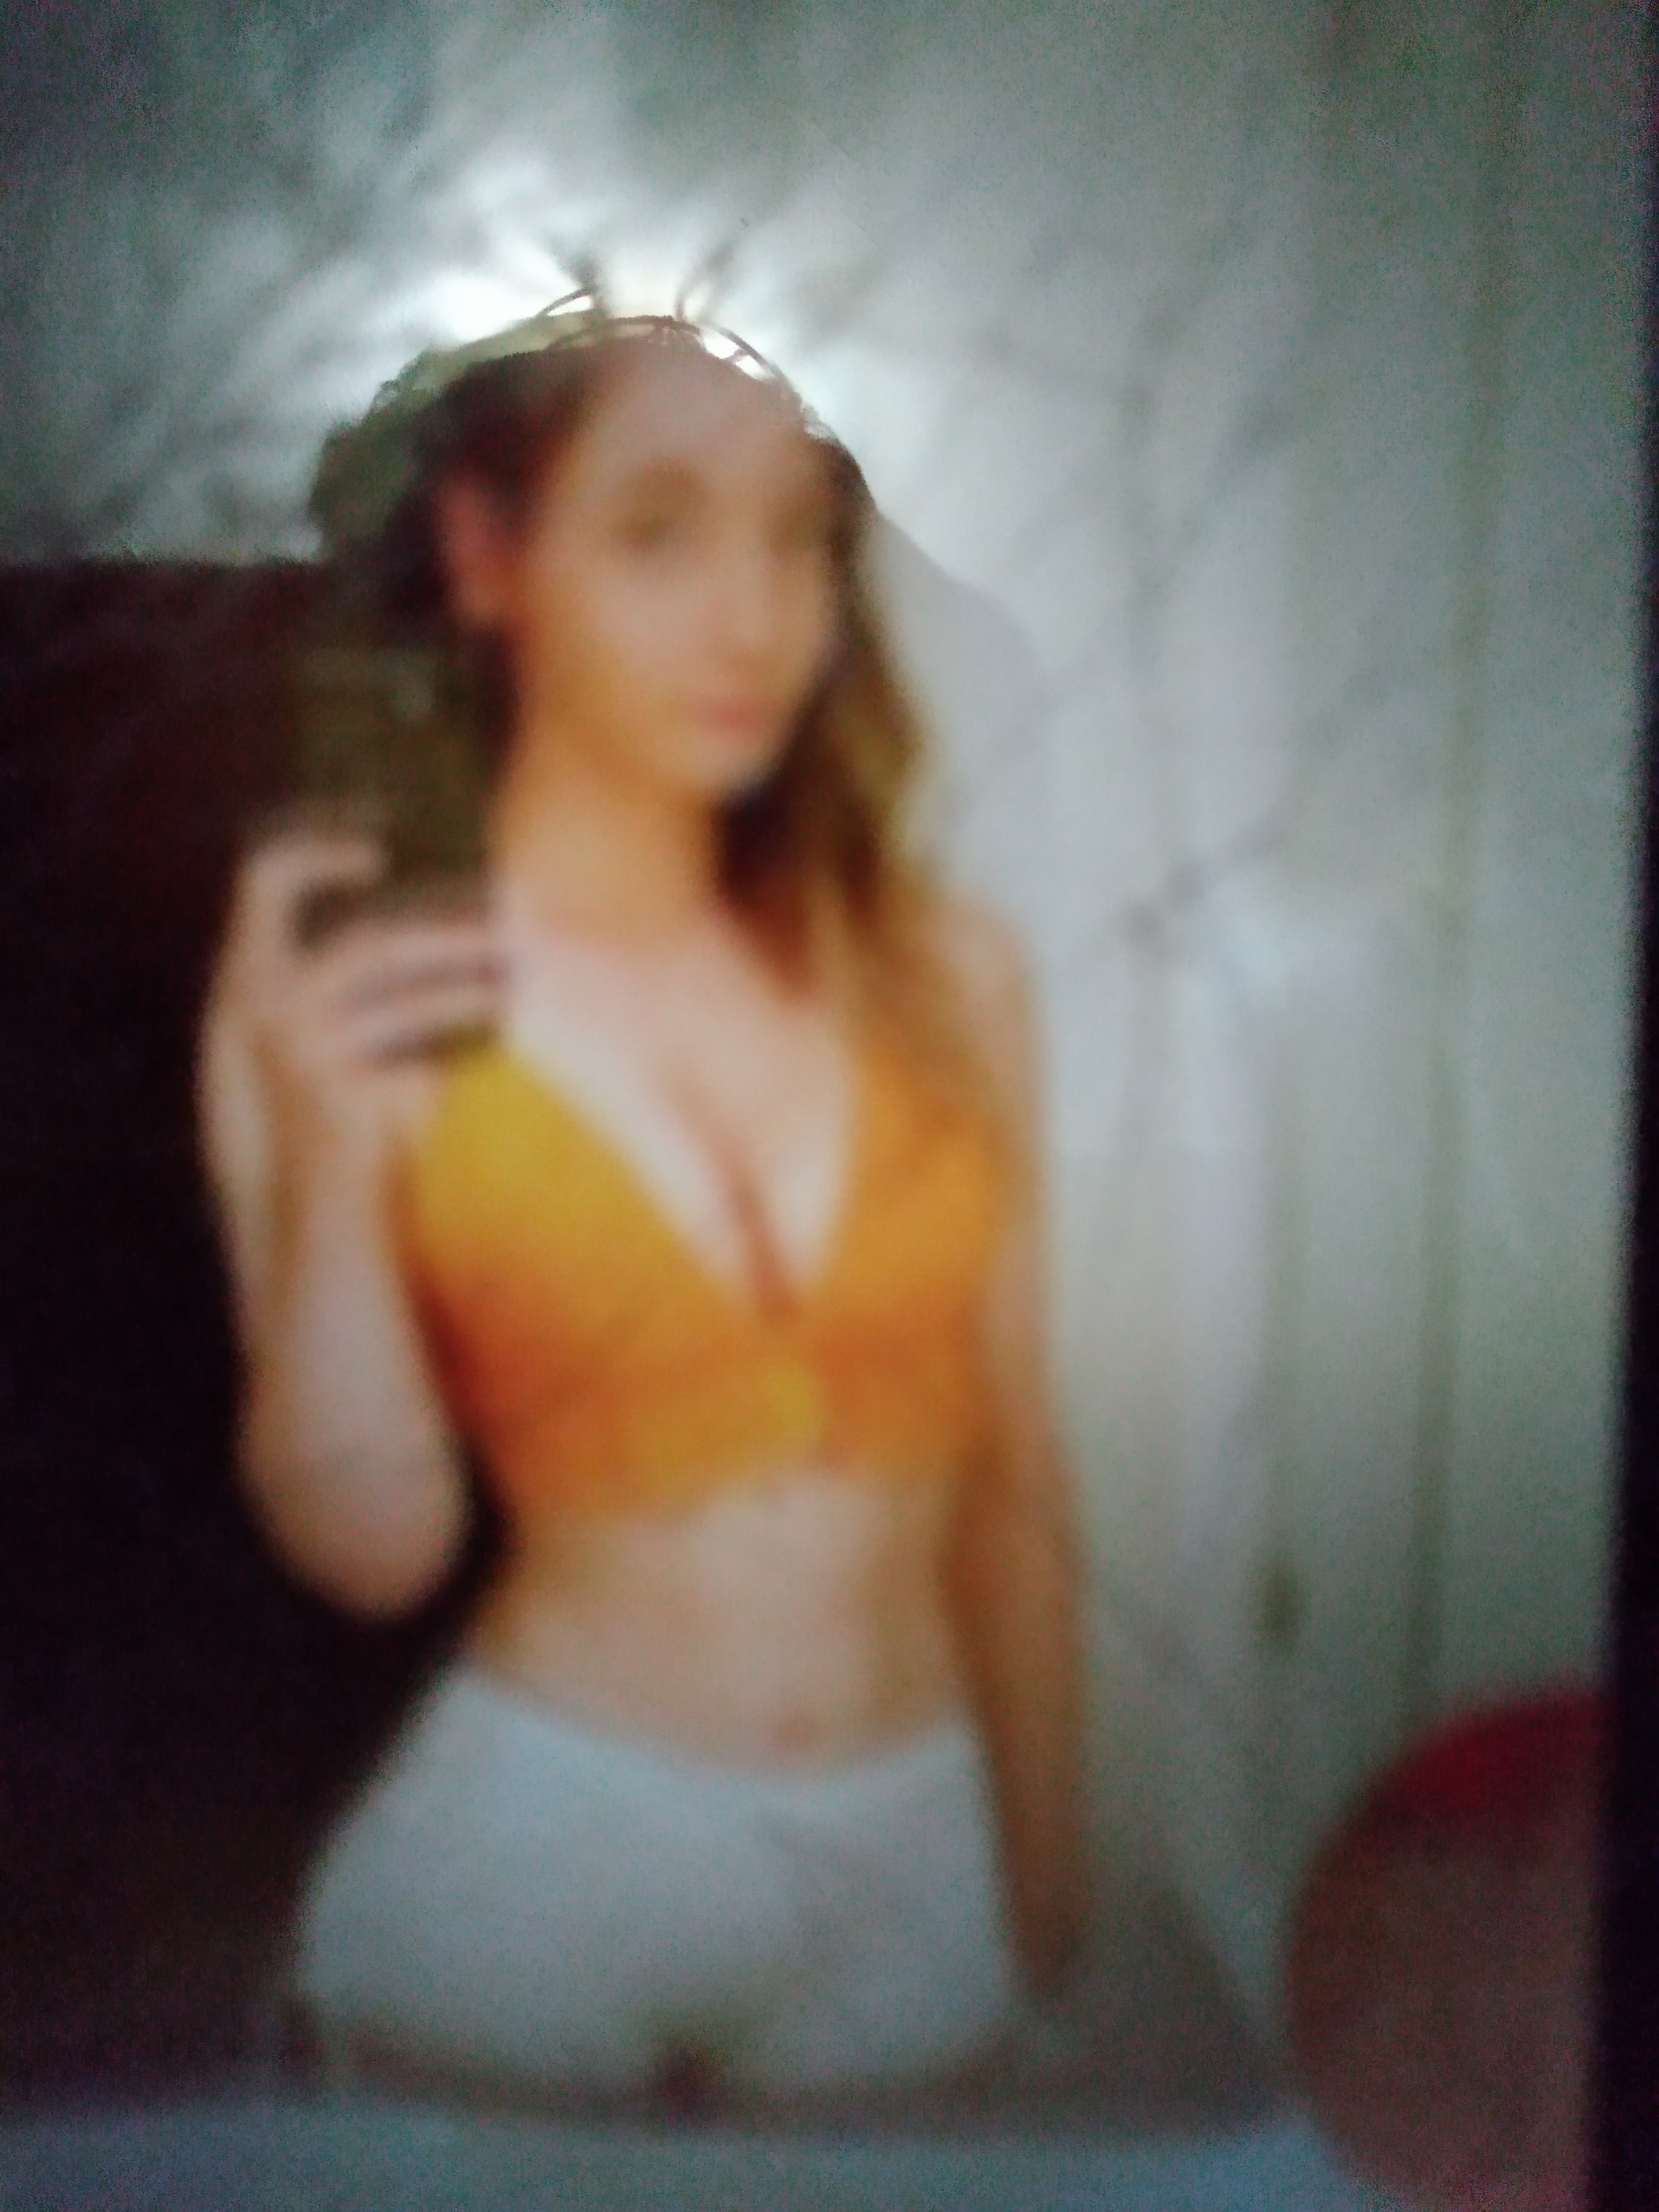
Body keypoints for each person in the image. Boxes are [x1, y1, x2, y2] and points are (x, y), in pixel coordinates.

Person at [197, 290, 1086, 2109]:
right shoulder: (344, 986)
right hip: (546, 1849)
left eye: (799, 538)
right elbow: (372, 1547)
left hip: (915, 1841)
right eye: (661, 532)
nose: (753, 617)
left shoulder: (946, 975)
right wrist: (336, 1162)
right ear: (488, 557)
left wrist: (1047, 1873)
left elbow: (1019, 1469)